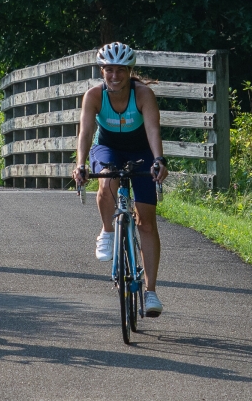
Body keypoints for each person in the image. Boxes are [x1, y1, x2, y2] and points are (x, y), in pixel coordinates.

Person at [72, 42, 169, 317]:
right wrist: (81, 164)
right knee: (106, 180)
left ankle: (151, 292)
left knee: (146, 223)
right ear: (102, 71)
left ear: (129, 71)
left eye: (121, 70)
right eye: (109, 70)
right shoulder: (94, 95)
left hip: (141, 152)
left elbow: (153, 129)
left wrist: (159, 160)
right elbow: (86, 132)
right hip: (108, 148)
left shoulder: (143, 95)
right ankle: (107, 231)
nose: (115, 76)